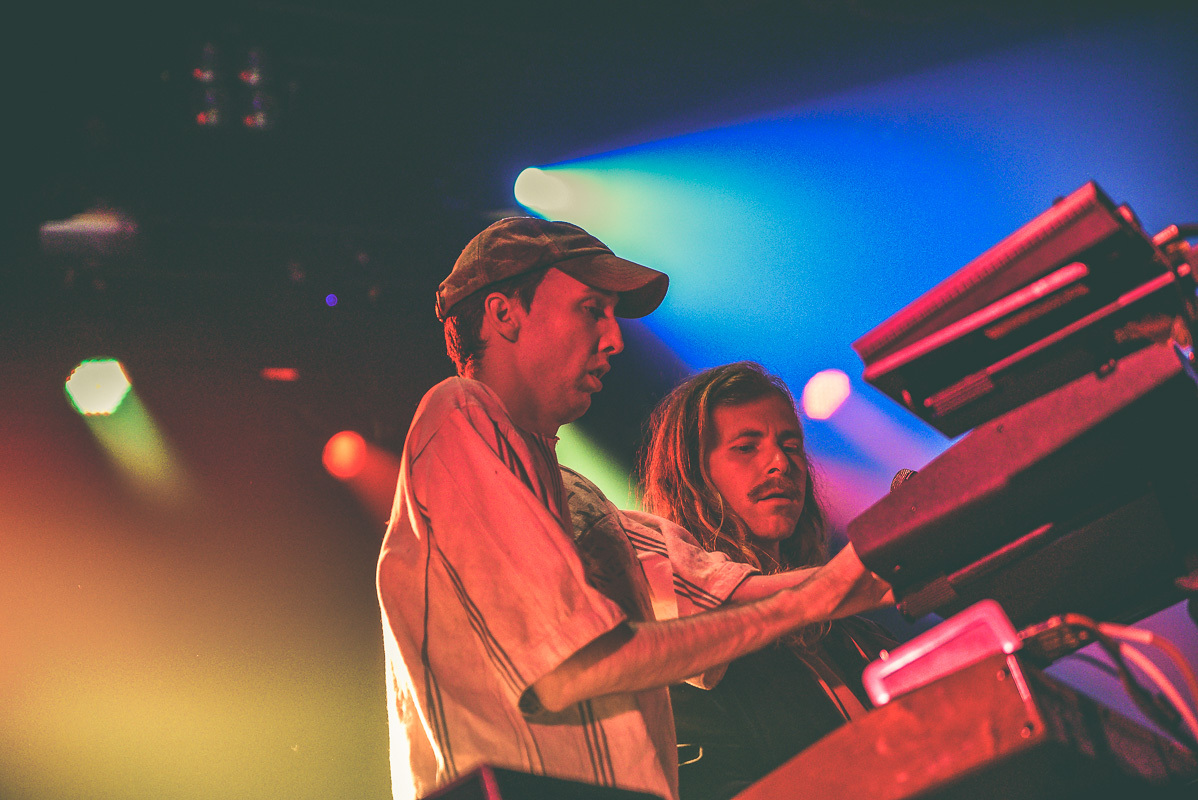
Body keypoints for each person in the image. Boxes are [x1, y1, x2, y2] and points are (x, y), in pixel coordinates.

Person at [376, 218, 892, 800]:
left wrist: (895, 563)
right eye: (591, 308)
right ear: (503, 314)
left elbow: (722, 596)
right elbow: (576, 666)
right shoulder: (460, 413)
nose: (615, 338)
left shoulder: (577, 497)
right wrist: (816, 598)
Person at [638, 362, 898, 800]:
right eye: (746, 448)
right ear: (691, 476)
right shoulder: (686, 653)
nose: (780, 463)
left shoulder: (857, 632)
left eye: (790, 445)